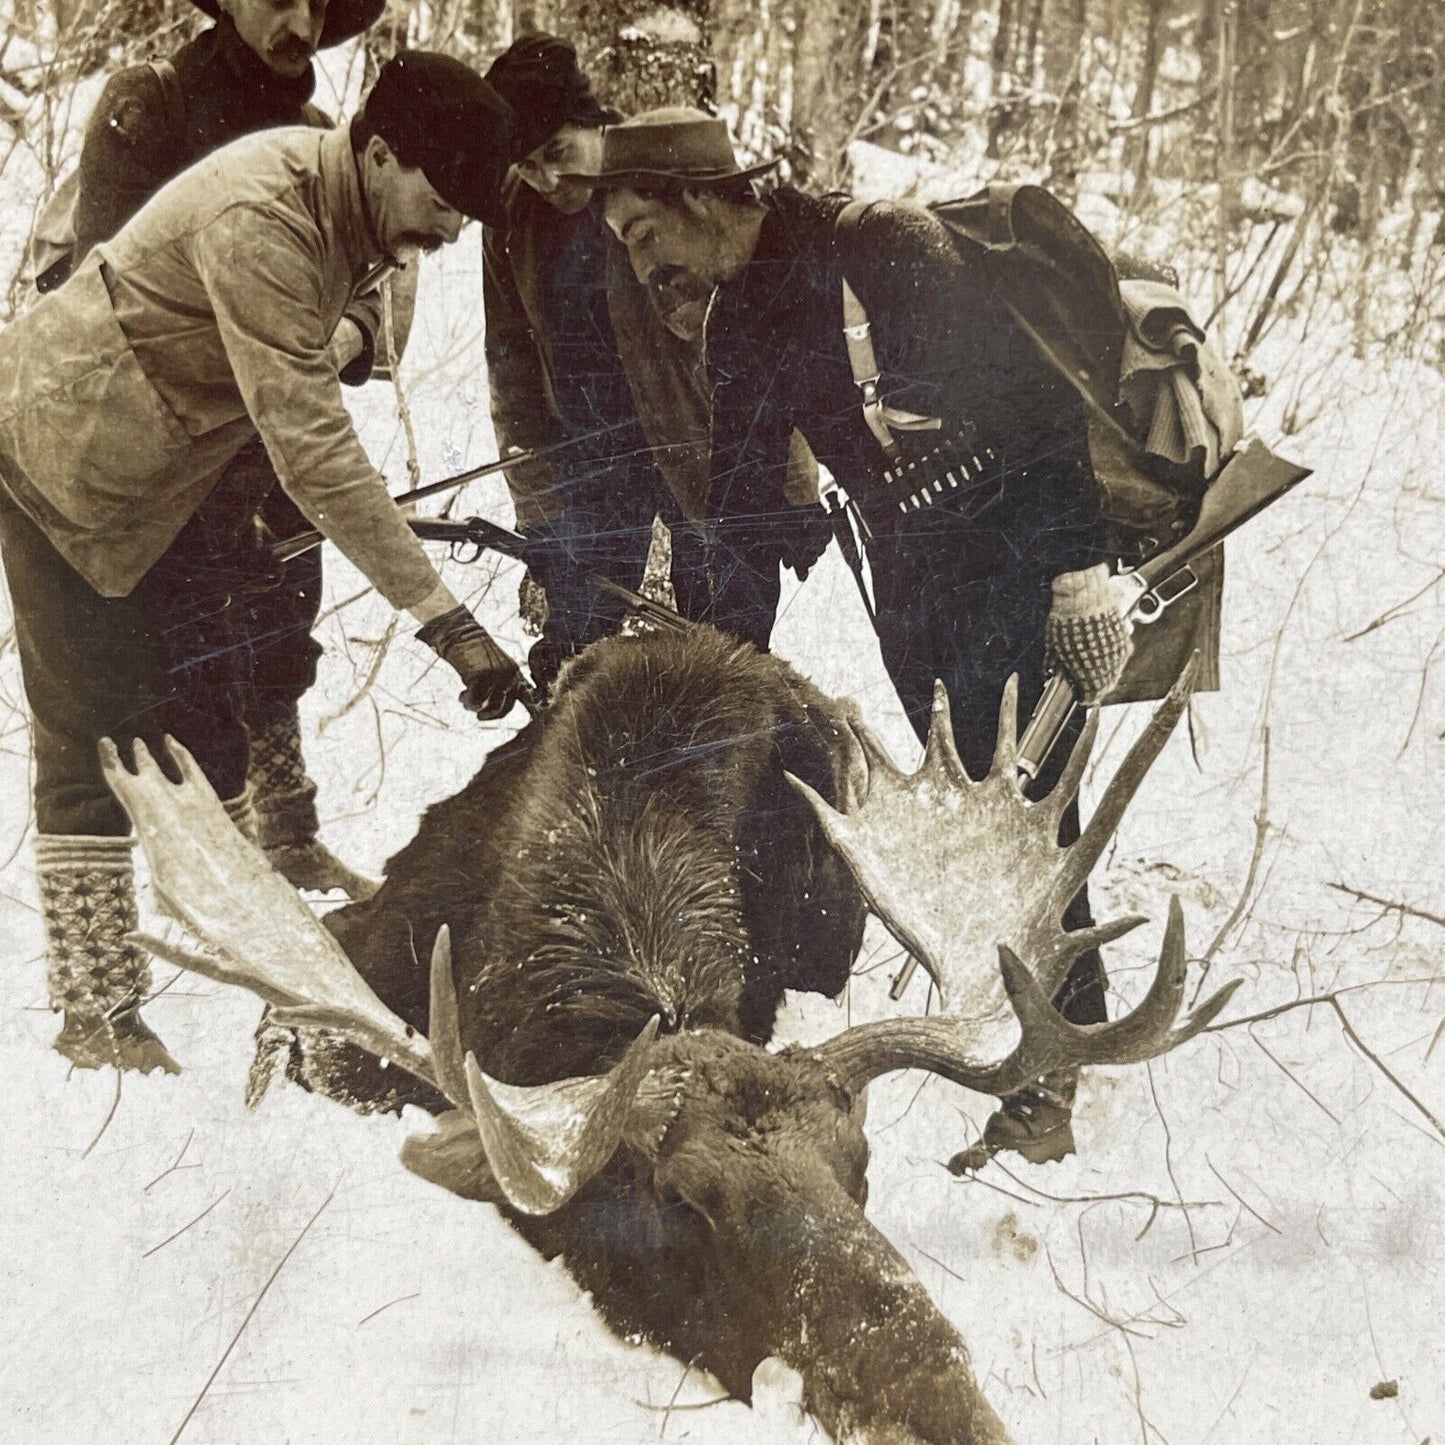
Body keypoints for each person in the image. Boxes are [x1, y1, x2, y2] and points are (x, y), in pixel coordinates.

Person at [591, 110, 1134, 1165]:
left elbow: (1034, 414)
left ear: (700, 199)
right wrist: (711, 666)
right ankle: (1045, 1034)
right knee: (986, 796)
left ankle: (1054, 1069)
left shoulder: (882, 246)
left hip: (1016, 558)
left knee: (1023, 809)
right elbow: (744, 504)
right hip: (916, 585)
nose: (640, 260)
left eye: (641, 229)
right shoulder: (740, 316)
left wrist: (1076, 574)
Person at [0, 51, 527, 1074]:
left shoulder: (358, 205)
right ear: (378, 155)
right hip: (54, 459)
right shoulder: (263, 218)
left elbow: (367, 330)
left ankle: (246, 973)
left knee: (211, 706)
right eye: (442, 200)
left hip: (168, 473)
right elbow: (316, 450)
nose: (453, 228)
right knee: (94, 730)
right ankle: (98, 1010)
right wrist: (446, 621)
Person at [66, 0, 390, 901]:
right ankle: (211, 873)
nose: (296, 19)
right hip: (171, 433)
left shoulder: (328, 133)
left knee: (282, 624)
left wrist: (348, 339)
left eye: (315, 4)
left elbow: (372, 283)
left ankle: (287, 836)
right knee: (187, 651)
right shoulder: (151, 108)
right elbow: (107, 281)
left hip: (283, 432)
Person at [479, 36, 826, 691]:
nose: (548, 180)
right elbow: (511, 362)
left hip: (704, 449)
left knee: (727, 650)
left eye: (558, 153)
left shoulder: (650, 181)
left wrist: (794, 485)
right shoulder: (509, 215)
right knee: (573, 650)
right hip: (592, 464)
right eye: (527, 166)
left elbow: (759, 338)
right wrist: (539, 510)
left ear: (594, 125)